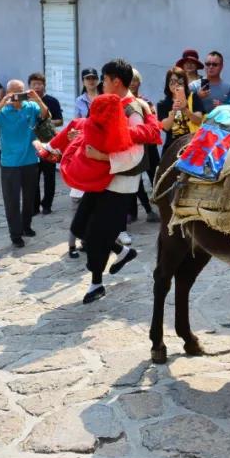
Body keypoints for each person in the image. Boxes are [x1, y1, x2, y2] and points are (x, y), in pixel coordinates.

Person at [73, 59, 162, 304]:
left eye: (104, 79)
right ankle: (123, 251)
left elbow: (135, 154)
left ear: (116, 81)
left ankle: (96, 284)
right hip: (101, 178)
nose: (101, 83)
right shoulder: (114, 105)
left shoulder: (131, 109)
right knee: (80, 227)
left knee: (97, 235)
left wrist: (101, 156)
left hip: (120, 183)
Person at [0, 80, 49, 248]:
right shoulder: (3, 111)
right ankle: (15, 234)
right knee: (12, 201)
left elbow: (45, 114)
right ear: (8, 93)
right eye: (14, 92)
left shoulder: (30, 106)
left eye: (21, 91)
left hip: (30, 160)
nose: (18, 96)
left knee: (29, 198)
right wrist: (2, 103)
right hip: (10, 163)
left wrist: (37, 99)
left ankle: (26, 226)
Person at [28, 72, 64, 216]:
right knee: (33, 177)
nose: (37, 87)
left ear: (44, 85)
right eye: (34, 84)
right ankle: (34, 206)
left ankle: (47, 205)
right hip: (32, 145)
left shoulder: (52, 101)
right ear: (29, 86)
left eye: (39, 84)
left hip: (49, 143)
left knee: (49, 176)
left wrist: (44, 122)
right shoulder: (26, 103)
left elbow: (60, 120)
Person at [127, 69, 159, 224]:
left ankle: (160, 206)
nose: (133, 83)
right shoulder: (123, 102)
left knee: (155, 176)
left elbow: (153, 119)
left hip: (149, 145)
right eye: (130, 80)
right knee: (135, 180)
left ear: (139, 82)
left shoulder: (146, 101)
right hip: (133, 146)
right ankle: (138, 211)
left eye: (135, 80)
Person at [156, 67, 203, 152]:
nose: (176, 84)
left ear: (184, 83)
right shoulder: (162, 104)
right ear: (168, 84)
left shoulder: (193, 98)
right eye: (172, 82)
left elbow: (199, 120)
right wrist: (174, 111)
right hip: (171, 149)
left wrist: (185, 109)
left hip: (192, 146)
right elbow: (165, 127)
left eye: (180, 81)